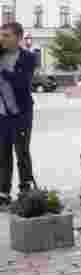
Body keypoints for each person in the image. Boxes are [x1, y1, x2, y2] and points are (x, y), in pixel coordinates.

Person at [0, 22, 37, 204]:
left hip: (21, 114)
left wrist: (4, 72)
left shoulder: (28, 57)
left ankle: (25, 191)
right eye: (1, 35)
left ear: (18, 37)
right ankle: (3, 193)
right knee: (2, 154)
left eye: (7, 35)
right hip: (2, 114)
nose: (2, 39)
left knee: (22, 153)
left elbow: (22, 83)